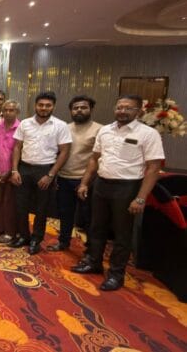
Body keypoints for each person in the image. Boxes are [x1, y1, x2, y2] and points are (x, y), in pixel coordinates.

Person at [71, 95, 164, 291]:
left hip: (127, 186)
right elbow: (94, 159)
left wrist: (141, 198)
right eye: (119, 107)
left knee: (122, 233)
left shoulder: (148, 134)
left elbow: (154, 168)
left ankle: (116, 274)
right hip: (102, 184)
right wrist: (85, 183)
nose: (122, 111)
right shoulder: (105, 130)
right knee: (96, 227)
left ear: (139, 111)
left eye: (128, 108)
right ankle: (93, 262)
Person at [9, 91, 72, 254]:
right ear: (35, 106)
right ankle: (24, 236)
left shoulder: (60, 125)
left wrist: (51, 175)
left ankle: (36, 239)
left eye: (48, 105)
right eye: (41, 105)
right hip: (24, 168)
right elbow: (17, 147)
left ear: (53, 106)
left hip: (45, 170)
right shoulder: (25, 124)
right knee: (20, 205)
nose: (44, 108)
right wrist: (15, 170)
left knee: (41, 208)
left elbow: (64, 151)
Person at [48, 95, 101, 252]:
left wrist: (86, 181)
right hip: (64, 177)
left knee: (88, 216)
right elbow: (57, 152)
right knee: (65, 213)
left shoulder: (100, 130)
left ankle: (91, 249)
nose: (79, 110)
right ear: (71, 110)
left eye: (83, 107)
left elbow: (98, 158)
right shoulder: (65, 128)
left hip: (86, 180)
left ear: (91, 109)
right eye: (75, 108)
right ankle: (63, 242)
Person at [0, 100, 21, 243]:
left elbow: (21, 152)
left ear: (17, 112)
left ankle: (10, 233)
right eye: (6, 110)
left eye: (12, 110)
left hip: (14, 172)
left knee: (10, 203)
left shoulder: (21, 128)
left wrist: (9, 172)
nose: (8, 112)